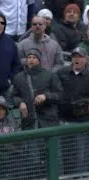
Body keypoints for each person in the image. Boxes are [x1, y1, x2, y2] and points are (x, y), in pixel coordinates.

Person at [12, 49, 63, 130]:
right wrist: (20, 102)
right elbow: (14, 96)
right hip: (28, 122)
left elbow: (60, 95)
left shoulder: (50, 75)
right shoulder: (18, 77)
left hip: (48, 122)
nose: (31, 60)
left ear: (39, 60)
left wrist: (46, 96)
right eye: (29, 57)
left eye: (34, 57)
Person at [57, 46, 89, 174]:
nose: (77, 59)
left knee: (82, 156)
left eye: (80, 57)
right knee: (67, 155)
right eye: (75, 57)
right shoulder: (62, 73)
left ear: (86, 59)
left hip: (84, 122)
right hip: (65, 120)